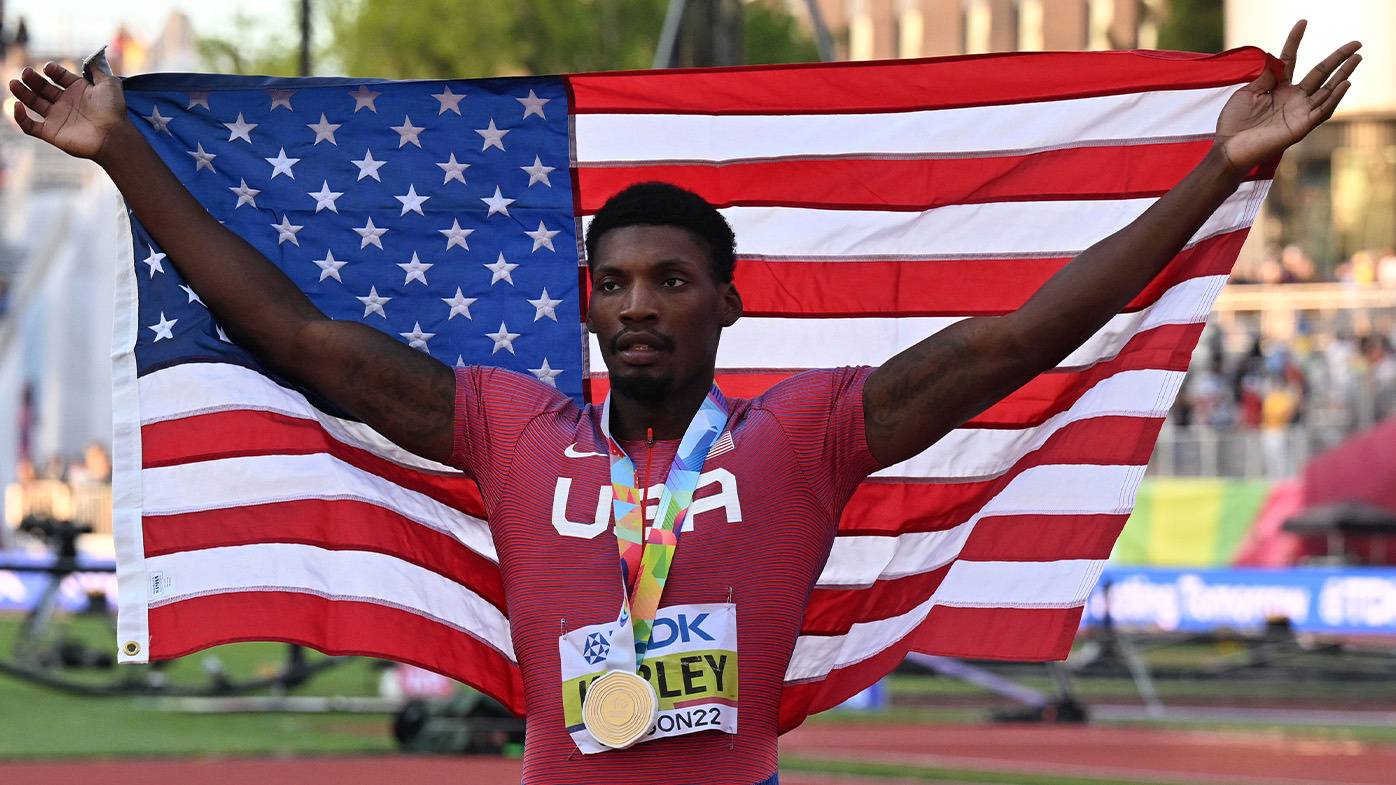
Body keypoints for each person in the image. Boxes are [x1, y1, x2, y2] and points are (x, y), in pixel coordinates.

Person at [9, 21, 1360, 784]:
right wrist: (125, 150)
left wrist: (1214, 174)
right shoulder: (509, 425)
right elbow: (296, 331)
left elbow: (1022, 337)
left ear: (729, 300)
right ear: (586, 304)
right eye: (619, 282)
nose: (643, 302)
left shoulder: (805, 435)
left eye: (673, 280)